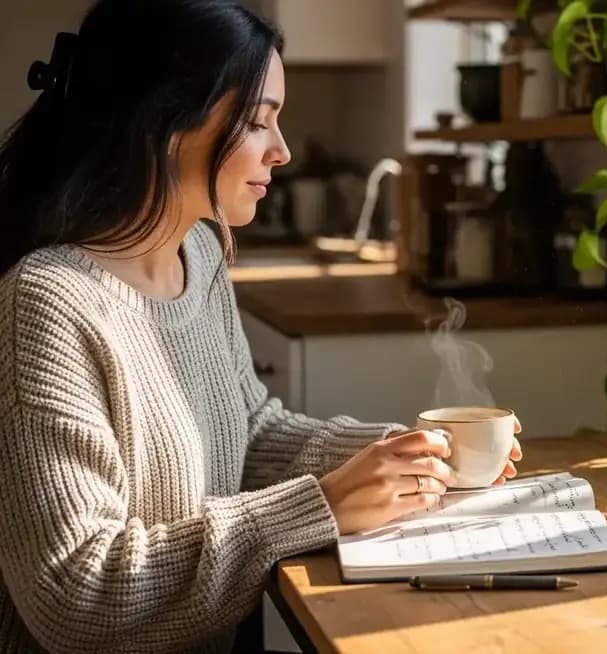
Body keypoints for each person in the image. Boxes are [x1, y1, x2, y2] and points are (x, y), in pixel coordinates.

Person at [0, 1, 522, 652]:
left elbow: (248, 432)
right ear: (164, 121)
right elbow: (78, 593)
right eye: (257, 122)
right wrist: (321, 507)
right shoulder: (50, 302)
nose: (283, 151)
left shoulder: (200, 254)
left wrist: (401, 455)